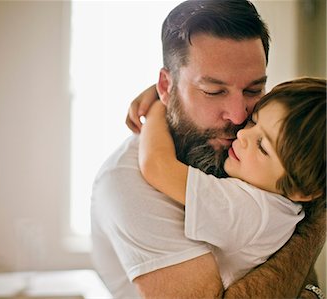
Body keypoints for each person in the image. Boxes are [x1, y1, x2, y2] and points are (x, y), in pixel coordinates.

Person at [91, 0, 326, 298]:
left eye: (254, 90)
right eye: (213, 91)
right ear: (166, 86)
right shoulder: (129, 184)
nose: (240, 118)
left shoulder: (263, 153)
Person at [138, 77, 326, 289]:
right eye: (254, 121)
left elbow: (157, 166)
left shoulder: (249, 209)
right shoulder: (283, 205)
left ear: (303, 190)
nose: (243, 133)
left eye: (262, 146)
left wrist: (159, 106)